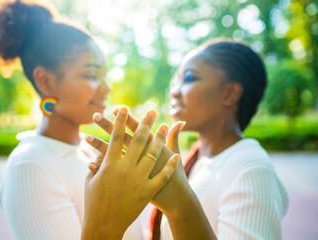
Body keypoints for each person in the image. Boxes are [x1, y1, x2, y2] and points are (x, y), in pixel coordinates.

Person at [0, 0, 184, 239]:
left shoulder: (89, 152)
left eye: (104, 74)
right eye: (90, 74)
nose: (106, 88)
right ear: (46, 81)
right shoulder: (31, 165)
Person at [88, 39, 289, 239]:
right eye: (177, 81)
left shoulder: (251, 170)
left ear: (229, 93)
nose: (174, 92)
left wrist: (180, 203)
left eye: (190, 78)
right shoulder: (198, 159)